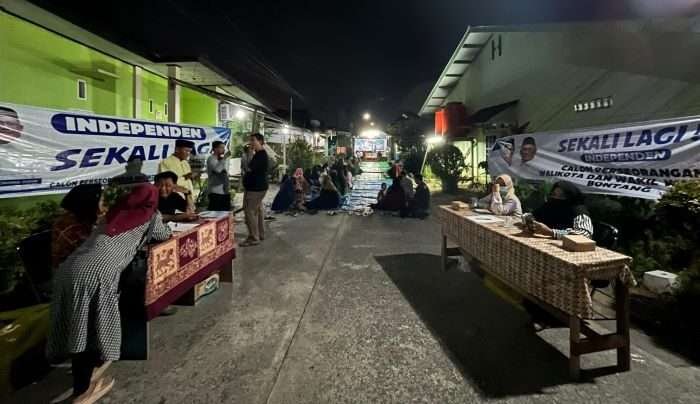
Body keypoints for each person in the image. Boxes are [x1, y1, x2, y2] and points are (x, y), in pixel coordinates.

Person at [48, 184, 172, 403]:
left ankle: (85, 373)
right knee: (90, 328)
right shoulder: (150, 217)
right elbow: (163, 235)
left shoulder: (114, 213)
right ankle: (82, 391)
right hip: (96, 274)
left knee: (79, 326)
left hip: (68, 270)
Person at [51, 184, 105, 269]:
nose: (103, 206)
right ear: (90, 204)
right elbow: (96, 254)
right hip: (71, 274)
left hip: (79, 267)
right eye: (101, 201)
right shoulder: (73, 228)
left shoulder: (79, 217)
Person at [528, 181, 593, 239]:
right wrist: (529, 222)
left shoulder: (579, 211)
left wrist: (552, 232)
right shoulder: (548, 206)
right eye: (554, 195)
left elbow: (584, 234)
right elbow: (533, 216)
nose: (556, 198)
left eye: (562, 196)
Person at [242, 133, 268, 246]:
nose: (251, 143)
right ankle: (260, 234)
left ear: (260, 141)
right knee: (258, 210)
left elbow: (248, 168)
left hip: (255, 188)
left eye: (253, 140)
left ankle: (253, 237)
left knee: (249, 211)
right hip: (257, 187)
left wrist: (249, 154)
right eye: (250, 140)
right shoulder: (259, 154)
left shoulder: (260, 155)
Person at [206, 141, 231, 211]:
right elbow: (218, 170)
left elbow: (225, 172)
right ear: (215, 149)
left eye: (224, 148)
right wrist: (225, 158)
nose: (223, 150)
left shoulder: (221, 159)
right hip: (216, 190)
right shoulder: (211, 159)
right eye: (221, 148)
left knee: (225, 213)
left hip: (224, 190)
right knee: (216, 212)